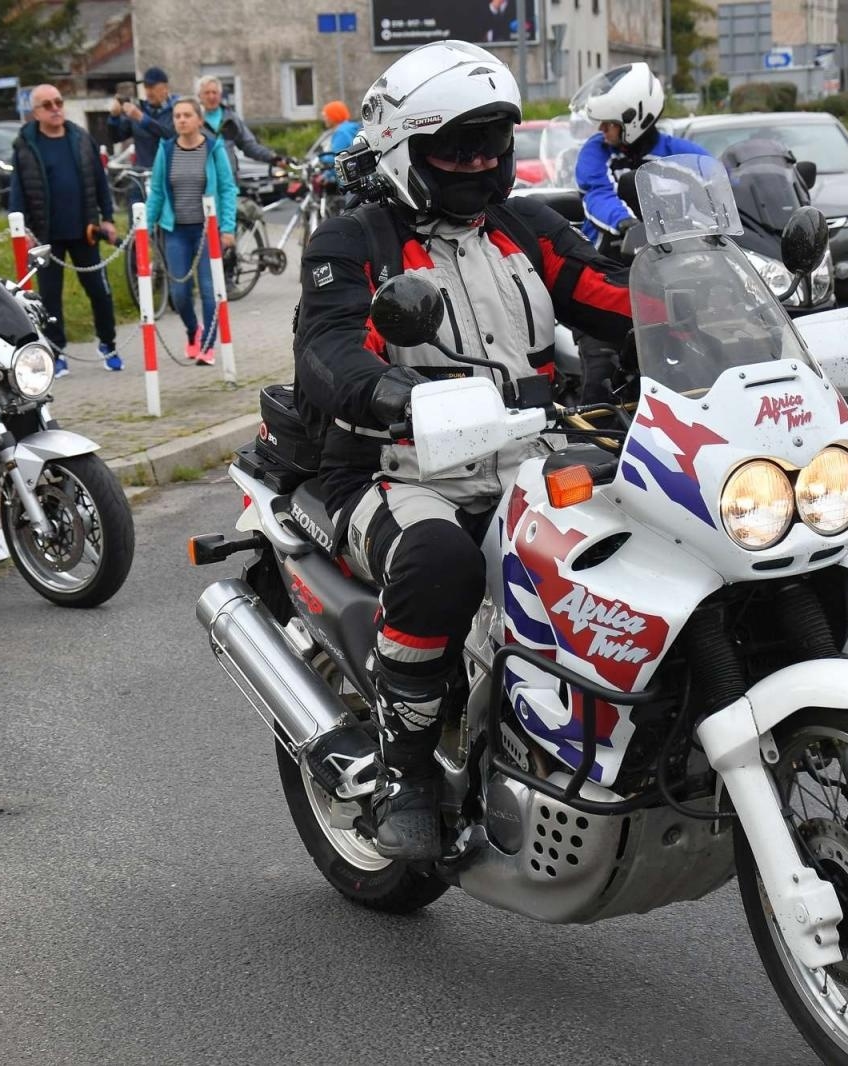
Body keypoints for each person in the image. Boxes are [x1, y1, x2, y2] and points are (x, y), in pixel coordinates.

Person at [293, 41, 633, 860]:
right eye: (455, 147)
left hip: (526, 457)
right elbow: (329, 348)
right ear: (405, 152)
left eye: (491, 143)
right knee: (442, 560)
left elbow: (611, 292)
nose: (478, 163)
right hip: (394, 468)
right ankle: (405, 766)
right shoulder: (354, 242)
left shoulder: (523, 227)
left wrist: (722, 314)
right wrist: (390, 392)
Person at [9, 83, 124, 376]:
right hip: (45, 235)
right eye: (47, 105)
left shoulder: (80, 138)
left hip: (84, 230)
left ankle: (108, 344)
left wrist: (107, 217)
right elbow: (18, 191)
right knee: (49, 297)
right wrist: (20, 226)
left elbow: (99, 181)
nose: (56, 108)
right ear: (36, 112)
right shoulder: (25, 145)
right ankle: (56, 353)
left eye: (58, 101)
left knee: (99, 291)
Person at [572, 62, 710, 250]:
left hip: (675, 254)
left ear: (635, 119)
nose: (601, 128)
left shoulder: (683, 156)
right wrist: (626, 222)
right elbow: (597, 193)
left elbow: (719, 189)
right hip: (606, 256)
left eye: (609, 123)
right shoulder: (596, 150)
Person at [145, 97, 236, 364]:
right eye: (177, 116)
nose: (181, 120)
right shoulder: (167, 150)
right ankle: (192, 331)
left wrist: (228, 227)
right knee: (180, 293)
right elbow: (158, 191)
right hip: (176, 230)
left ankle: (207, 345)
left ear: (199, 119)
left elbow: (227, 189)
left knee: (209, 289)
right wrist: (147, 225)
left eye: (187, 115)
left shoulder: (213, 148)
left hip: (208, 230)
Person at [197, 74, 288, 180]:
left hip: (228, 179)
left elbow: (248, 145)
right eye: (207, 93)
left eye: (214, 92)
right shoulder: (193, 118)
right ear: (199, 96)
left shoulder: (231, 118)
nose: (211, 96)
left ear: (220, 95)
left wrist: (273, 157)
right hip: (201, 180)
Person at [107, 67, 176, 169]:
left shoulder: (177, 110)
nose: (148, 91)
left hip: (168, 173)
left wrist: (142, 118)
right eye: (146, 87)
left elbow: (170, 135)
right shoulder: (140, 109)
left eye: (152, 87)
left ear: (165, 88)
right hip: (143, 173)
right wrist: (114, 117)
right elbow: (116, 138)